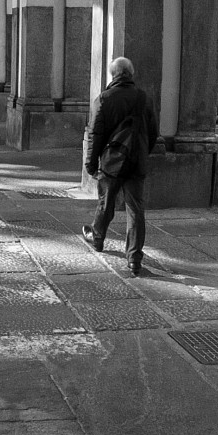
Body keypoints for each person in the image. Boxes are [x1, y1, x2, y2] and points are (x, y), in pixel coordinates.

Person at [80, 57, 158, 273]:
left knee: (106, 203)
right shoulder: (144, 99)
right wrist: (142, 152)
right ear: (131, 74)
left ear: (112, 75)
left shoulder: (104, 99)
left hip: (111, 162)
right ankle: (134, 258)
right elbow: (153, 132)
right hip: (136, 162)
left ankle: (97, 237)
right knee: (135, 209)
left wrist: (91, 163)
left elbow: (95, 134)